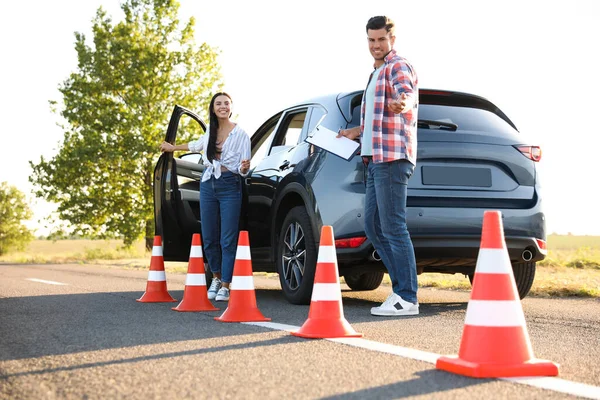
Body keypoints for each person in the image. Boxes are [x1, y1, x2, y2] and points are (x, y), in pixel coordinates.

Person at [338, 16, 419, 316]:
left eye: (381, 40)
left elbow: (405, 92)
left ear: (392, 40)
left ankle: (407, 296)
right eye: (371, 40)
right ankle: (401, 291)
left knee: (394, 226)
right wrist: (353, 133)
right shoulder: (375, 73)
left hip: (392, 158)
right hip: (374, 160)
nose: (376, 45)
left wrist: (404, 103)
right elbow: (374, 120)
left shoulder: (397, 66)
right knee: (373, 225)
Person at [160, 92, 251, 302]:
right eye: (218, 104)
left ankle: (226, 285)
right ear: (213, 108)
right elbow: (195, 145)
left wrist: (244, 167)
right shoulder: (210, 130)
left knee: (227, 239)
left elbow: (244, 169)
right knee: (209, 238)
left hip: (230, 185)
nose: (223, 107)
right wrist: (173, 148)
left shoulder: (241, 134)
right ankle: (217, 278)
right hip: (208, 184)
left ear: (231, 107)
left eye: (226, 103)